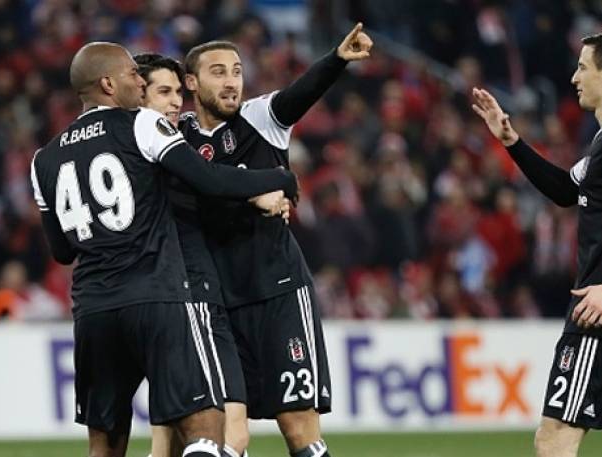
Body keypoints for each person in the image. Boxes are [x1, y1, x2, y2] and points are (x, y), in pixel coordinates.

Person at [30, 42, 298, 457]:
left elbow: (62, 252)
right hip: (158, 296)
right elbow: (209, 179)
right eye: (131, 75)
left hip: (94, 308)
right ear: (106, 84)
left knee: (104, 442)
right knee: (207, 427)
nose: (140, 81)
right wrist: (276, 178)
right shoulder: (140, 124)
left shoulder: (43, 159)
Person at [472, 29, 602, 457]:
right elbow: (567, 189)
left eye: (582, 67)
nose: (574, 78)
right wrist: (511, 141)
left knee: (554, 441)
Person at [179, 23, 372, 457]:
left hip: (279, 292)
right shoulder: (178, 139)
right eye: (217, 72)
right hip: (219, 304)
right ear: (191, 82)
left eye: (236, 71)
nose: (231, 81)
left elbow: (300, 94)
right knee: (226, 431)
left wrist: (337, 59)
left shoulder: (260, 118)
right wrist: (258, 191)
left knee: (298, 427)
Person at [134, 52, 287, 457]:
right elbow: (208, 183)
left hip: (145, 295)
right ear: (138, 96)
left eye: (176, 92)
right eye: (163, 92)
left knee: (165, 440)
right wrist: (274, 183)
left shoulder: (123, 149)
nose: (174, 102)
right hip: (191, 291)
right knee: (230, 432)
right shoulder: (162, 148)